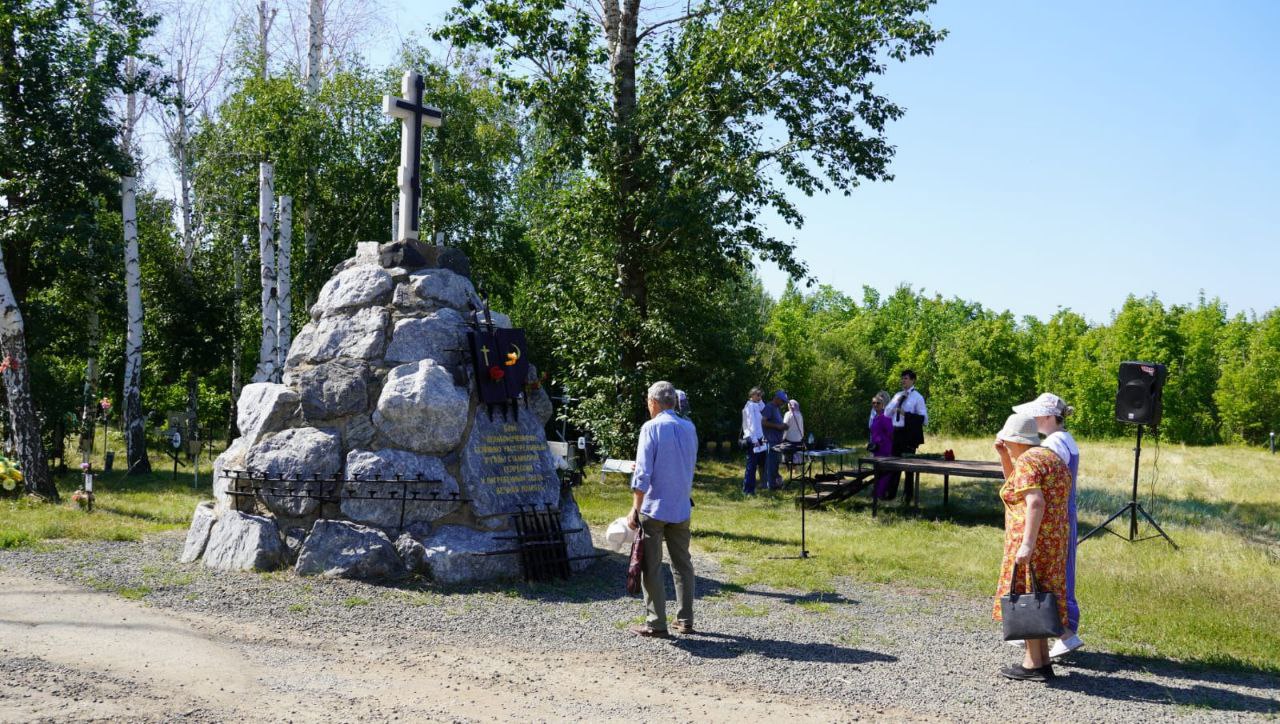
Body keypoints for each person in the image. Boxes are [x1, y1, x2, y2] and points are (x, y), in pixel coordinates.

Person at [992, 413, 1072, 682]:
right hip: (1053, 540)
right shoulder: (1050, 457)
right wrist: (1005, 457)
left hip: (1033, 540)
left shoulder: (1027, 461)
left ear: (1015, 439)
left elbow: (1034, 502)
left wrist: (1027, 544)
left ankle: (1033, 664)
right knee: (1039, 598)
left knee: (1026, 598)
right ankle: (1041, 661)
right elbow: (1016, 485)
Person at [1012, 393, 1084, 659]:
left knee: (1050, 576)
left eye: (1035, 414)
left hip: (1055, 514)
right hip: (1065, 512)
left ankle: (1063, 631)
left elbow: (1044, 485)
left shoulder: (1052, 444)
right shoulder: (1066, 439)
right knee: (1062, 573)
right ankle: (1054, 631)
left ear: (1046, 416)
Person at [627, 381, 699, 638]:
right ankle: (685, 619)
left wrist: (635, 508)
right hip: (681, 506)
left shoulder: (651, 427)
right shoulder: (689, 427)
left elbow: (644, 473)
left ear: (653, 402)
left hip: (655, 507)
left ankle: (657, 623)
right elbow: (684, 463)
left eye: (648, 401)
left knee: (651, 565)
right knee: (683, 564)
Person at [883, 369, 928, 500]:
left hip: (909, 436)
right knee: (893, 465)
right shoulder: (897, 395)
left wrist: (905, 414)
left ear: (913, 380)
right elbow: (886, 414)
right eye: (902, 378)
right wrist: (895, 405)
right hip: (896, 434)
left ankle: (907, 497)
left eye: (906, 378)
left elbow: (923, 419)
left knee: (909, 467)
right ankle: (890, 494)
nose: (903, 381)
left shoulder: (918, 397)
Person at [868, 391, 896, 499]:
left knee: (885, 472)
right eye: (873, 403)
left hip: (884, 448)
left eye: (878, 403)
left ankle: (880, 493)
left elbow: (891, 433)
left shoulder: (886, 417)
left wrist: (885, 443)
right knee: (878, 471)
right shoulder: (875, 417)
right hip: (876, 449)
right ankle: (877, 492)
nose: (875, 405)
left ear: (883, 404)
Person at [760, 390, 789, 490]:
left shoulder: (776, 408)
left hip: (777, 442)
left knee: (775, 465)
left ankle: (773, 484)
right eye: (782, 401)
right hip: (770, 441)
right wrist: (778, 426)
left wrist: (783, 426)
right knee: (770, 465)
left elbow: (778, 423)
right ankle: (769, 486)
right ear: (776, 398)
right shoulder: (769, 407)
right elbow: (763, 422)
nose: (783, 403)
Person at [740, 388, 767, 494]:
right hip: (753, 438)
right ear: (751, 395)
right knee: (751, 465)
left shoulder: (756, 405)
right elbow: (751, 425)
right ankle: (747, 490)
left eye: (760, 395)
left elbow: (763, 408)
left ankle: (752, 488)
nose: (759, 397)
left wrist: (760, 399)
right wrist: (755, 440)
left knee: (757, 464)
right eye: (757, 395)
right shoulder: (749, 406)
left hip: (759, 438)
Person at [783, 398, 805, 464]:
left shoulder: (788, 414)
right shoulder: (800, 414)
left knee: (786, 453)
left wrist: (782, 438)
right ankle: (796, 465)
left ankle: (789, 466)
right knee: (796, 453)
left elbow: (784, 427)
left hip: (789, 439)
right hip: (798, 439)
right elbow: (802, 427)